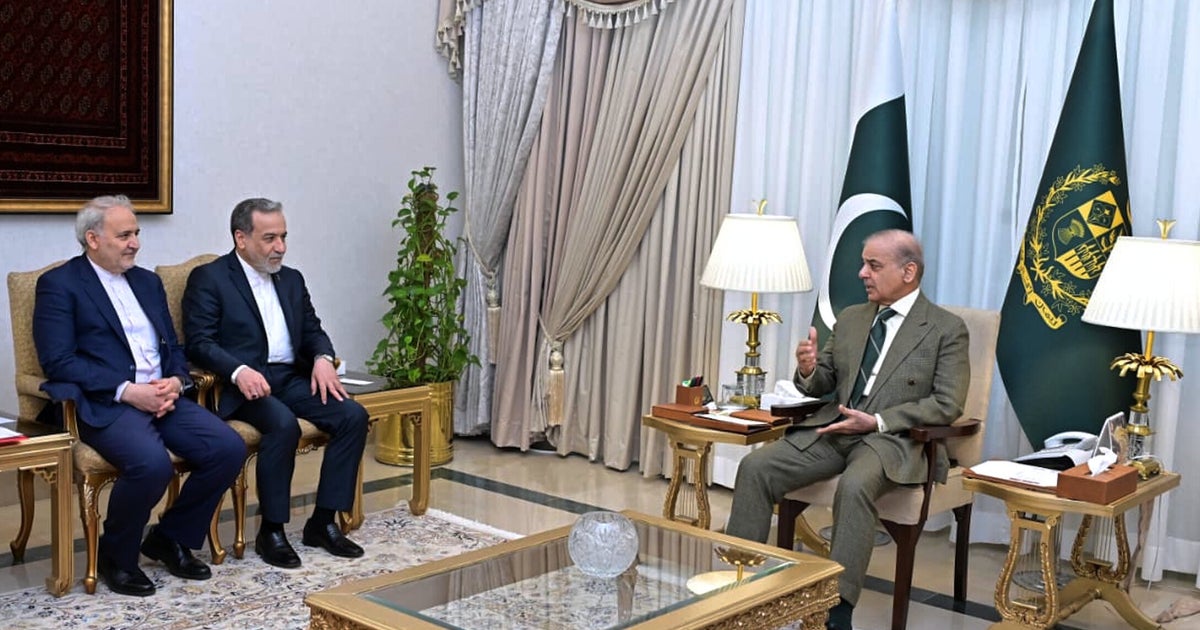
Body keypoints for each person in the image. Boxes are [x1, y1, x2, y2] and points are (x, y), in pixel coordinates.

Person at [724, 229, 969, 630]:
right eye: (863, 264)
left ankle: (835, 611)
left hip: (892, 440)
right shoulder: (852, 318)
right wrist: (808, 369)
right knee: (756, 467)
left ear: (908, 272)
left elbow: (947, 403)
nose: (862, 273)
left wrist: (878, 421)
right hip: (835, 429)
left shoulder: (945, 328)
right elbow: (823, 382)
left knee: (856, 486)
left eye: (873, 265)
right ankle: (738, 588)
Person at [32, 195, 246, 597]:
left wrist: (176, 381)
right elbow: (58, 361)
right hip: (105, 403)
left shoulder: (147, 282)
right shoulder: (60, 285)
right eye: (124, 235)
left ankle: (169, 538)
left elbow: (173, 348)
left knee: (227, 448)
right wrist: (128, 391)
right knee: (151, 465)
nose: (135, 243)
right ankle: (116, 557)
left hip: (163, 398)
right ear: (93, 239)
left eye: (136, 233)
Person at [182, 197, 369, 569]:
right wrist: (238, 371)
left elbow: (313, 331)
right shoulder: (210, 278)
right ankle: (272, 530)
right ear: (241, 238)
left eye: (283, 237)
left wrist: (322, 359)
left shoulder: (291, 279)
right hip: (240, 385)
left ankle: (322, 522)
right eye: (269, 238)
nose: (280, 247)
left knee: (352, 416)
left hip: (289, 378)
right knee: (282, 424)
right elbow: (199, 342)